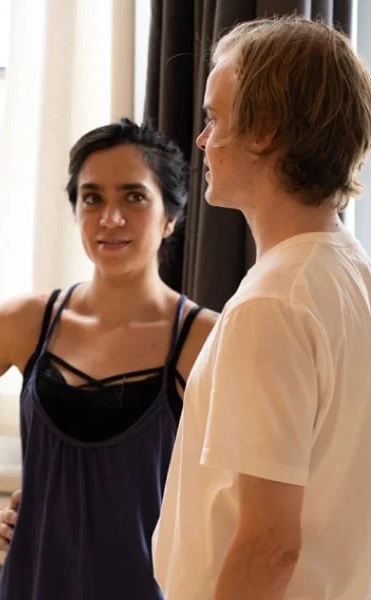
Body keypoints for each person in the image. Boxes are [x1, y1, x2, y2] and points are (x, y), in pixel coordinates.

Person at [0, 118, 217, 599]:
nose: (110, 218)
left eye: (133, 196)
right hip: (31, 585)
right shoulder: (25, 322)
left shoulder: (206, 340)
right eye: (92, 198)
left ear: (169, 217)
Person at [153, 15, 371, 600]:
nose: (201, 141)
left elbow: (269, 545)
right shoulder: (353, 273)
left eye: (215, 118)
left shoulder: (272, 303)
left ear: (266, 130)